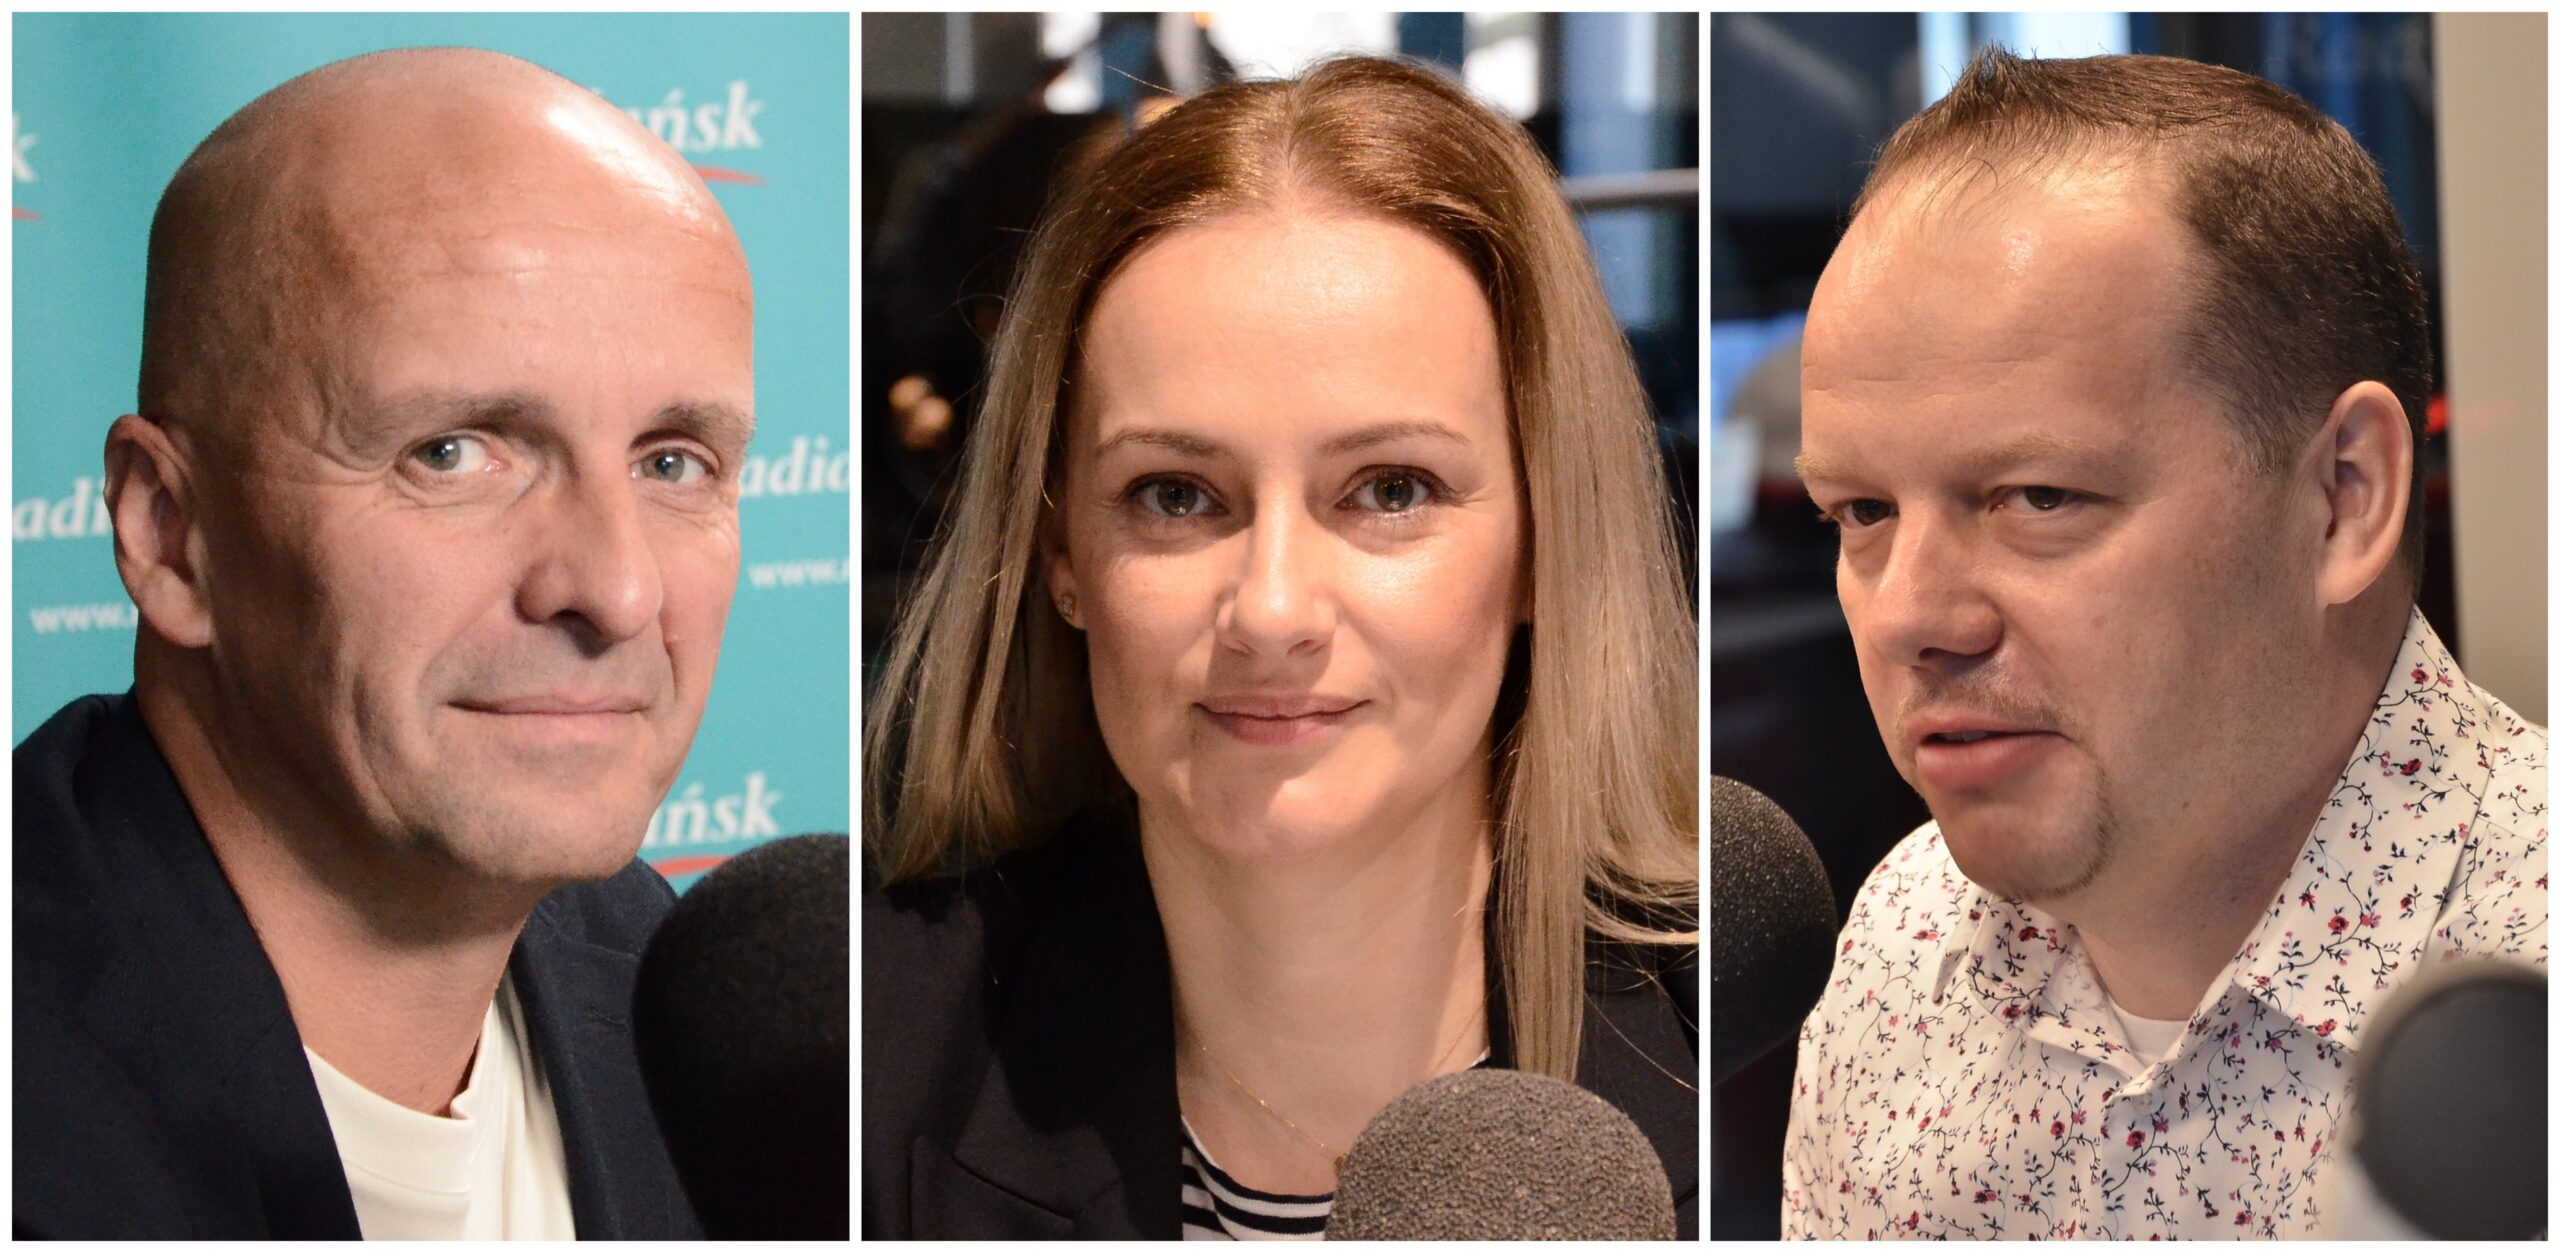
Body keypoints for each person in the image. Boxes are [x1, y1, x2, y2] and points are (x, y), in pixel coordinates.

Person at [861, 56, 1699, 1239]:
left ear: (1544, 542)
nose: (1269, 608)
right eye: (1173, 494)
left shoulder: (1750, 1050)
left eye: (1390, 488)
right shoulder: (859, 1065)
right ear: (1060, 554)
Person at [1783, 50, 2546, 1240]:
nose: (1905, 617)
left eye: (2038, 495)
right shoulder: (1901, 942)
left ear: (2341, 498)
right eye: (1863, 511)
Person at [13, 47, 756, 1239]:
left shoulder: (680, 997)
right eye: (451, 452)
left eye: (673, 461)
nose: (617, 591)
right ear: (169, 531)